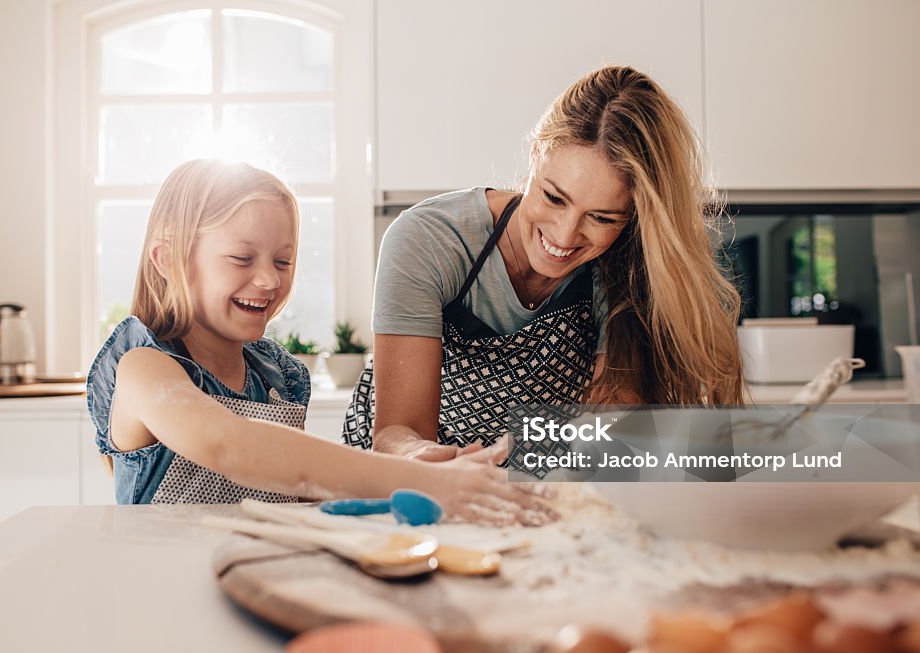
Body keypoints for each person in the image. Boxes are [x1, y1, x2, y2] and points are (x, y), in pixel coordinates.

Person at [86, 159, 554, 525]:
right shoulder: (143, 367)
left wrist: (421, 477)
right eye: (241, 257)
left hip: (255, 587)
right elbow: (229, 444)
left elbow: (295, 484)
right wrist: (420, 479)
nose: (268, 279)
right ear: (168, 260)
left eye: (284, 261)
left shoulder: (278, 378)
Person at [343, 65, 745, 460]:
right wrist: (435, 463)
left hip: (535, 481)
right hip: (394, 477)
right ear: (536, 154)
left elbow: (612, 424)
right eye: (554, 197)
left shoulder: (629, 268)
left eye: (602, 217)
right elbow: (401, 432)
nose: (565, 235)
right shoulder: (430, 239)